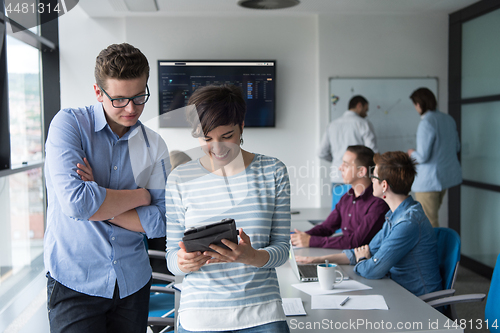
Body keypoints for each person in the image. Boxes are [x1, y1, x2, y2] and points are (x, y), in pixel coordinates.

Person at [44, 43, 169, 332]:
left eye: (139, 97)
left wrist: (97, 195)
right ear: (99, 92)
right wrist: (141, 196)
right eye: (120, 100)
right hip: (75, 281)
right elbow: (76, 204)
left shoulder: (154, 146)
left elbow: (161, 220)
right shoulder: (69, 125)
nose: (131, 109)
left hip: (132, 283)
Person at [166, 85, 291, 333]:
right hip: (200, 318)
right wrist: (184, 262)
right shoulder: (180, 178)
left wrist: (252, 256)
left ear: (241, 126)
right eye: (207, 138)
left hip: (262, 315)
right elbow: (171, 257)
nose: (217, 148)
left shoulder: (273, 171)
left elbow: (283, 249)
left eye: (226, 136)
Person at [296, 151, 442, 297]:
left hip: (417, 302)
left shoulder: (407, 223)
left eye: (374, 176)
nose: (370, 180)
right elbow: (365, 250)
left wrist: (362, 260)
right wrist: (316, 260)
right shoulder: (395, 215)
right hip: (397, 290)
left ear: (384, 185)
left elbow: (372, 270)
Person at [291, 145, 388, 249]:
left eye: (346, 165)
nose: (340, 168)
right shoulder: (347, 197)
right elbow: (326, 227)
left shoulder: (378, 203)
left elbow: (355, 242)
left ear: (361, 171)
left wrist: (311, 241)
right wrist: (300, 237)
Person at [407, 88, 462, 227]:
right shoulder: (448, 119)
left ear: (419, 104)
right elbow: (457, 147)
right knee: (431, 219)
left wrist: (411, 153)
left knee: (428, 223)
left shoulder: (427, 122)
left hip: (429, 182)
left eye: (415, 104)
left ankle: (434, 249)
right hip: (444, 179)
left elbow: (423, 157)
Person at [318, 95, 378, 208]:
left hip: (338, 176)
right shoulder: (363, 124)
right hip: (358, 178)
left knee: (337, 216)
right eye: (366, 109)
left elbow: (321, 152)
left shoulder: (332, 125)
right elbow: (372, 153)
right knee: (357, 216)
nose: (367, 113)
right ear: (359, 105)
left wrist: (338, 161)